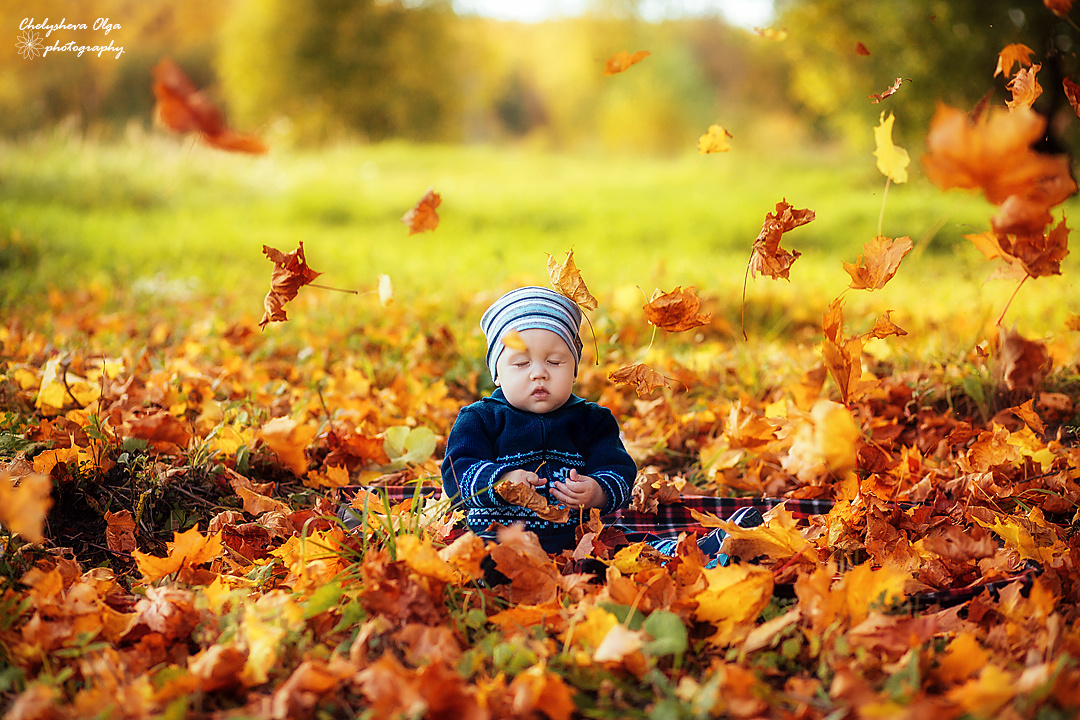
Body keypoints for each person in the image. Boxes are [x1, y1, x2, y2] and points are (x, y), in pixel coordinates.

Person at [439, 286, 763, 562]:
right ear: (497, 372)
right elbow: (457, 473)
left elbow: (619, 471)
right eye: (521, 363)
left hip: (583, 539)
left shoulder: (591, 420)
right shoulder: (480, 418)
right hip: (503, 542)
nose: (539, 372)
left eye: (554, 361)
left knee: (632, 551)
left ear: (574, 368)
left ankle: (707, 552)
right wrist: (502, 481)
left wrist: (597, 491)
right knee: (477, 560)